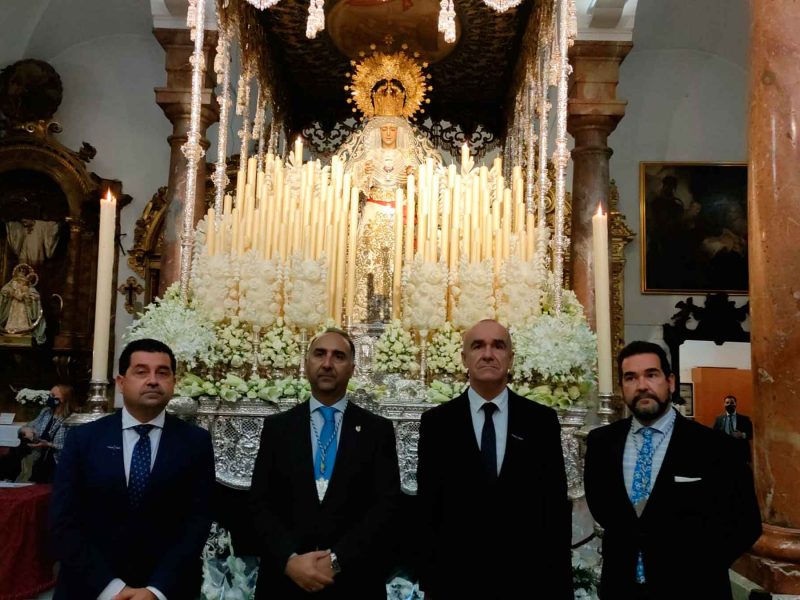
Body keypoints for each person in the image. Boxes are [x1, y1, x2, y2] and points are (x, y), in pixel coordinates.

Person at [584, 341, 762, 600]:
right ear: (622, 387)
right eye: (630, 377)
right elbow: (603, 509)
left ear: (670, 382)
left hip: (693, 589)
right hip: (621, 589)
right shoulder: (602, 443)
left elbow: (746, 524)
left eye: (651, 374)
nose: (642, 385)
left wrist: (699, 567)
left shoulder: (716, 447)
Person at [416, 319, 573, 599]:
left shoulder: (541, 422)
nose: (488, 354)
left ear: (510, 358)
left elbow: (555, 510)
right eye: (478, 346)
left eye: (498, 346)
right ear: (464, 358)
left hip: (527, 581)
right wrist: (431, 583)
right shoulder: (437, 424)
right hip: (456, 581)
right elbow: (428, 510)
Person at [50, 338, 215, 600]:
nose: (152, 380)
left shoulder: (195, 442)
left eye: (162, 372)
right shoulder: (84, 439)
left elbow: (197, 522)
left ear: (174, 381)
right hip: (90, 587)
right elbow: (64, 521)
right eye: (141, 371)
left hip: (166, 589)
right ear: (120, 382)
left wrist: (156, 590)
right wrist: (113, 589)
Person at [249, 328, 401, 599]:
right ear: (307, 363)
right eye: (320, 354)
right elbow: (260, 503)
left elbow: (385, 507)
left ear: (352, 368)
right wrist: (289, 559)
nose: (328, 364)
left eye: (338, 356)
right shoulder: (278, 428)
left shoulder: (376, 431)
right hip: (286, 581)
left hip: (354, 581)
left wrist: (337, 560)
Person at [17, 383, 77, 482]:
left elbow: (71, 447)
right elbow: (26, 426)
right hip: (39, 458)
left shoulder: (71, 419)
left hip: (57, 461)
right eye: (50, 395)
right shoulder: (46, 412)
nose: (50, 398)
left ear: (64, 400)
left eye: (53, 396)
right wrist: (27, 430)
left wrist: (49, 444)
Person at [0, 263, 45, 343]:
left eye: (23, 281)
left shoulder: (27, 288)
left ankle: (22, 329)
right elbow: (6, 291)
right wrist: (13, 294)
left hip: (22, 305)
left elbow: (34, 295)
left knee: (22, 316)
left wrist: (27, 296)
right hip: (14, 304)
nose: (21, 283)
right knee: (13, 317)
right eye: (19, 281)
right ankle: (11, 329)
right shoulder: (13, 285)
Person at [713, 394, 753, 463]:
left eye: (732, 402)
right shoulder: (719, 419)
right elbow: (714, 435)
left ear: (736, 404)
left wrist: (742, 435)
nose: (729, 405)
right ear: (724, 404)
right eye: (727, 403)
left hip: (740, 454)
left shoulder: (744, 419)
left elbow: (752, 434)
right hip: (724, 453)